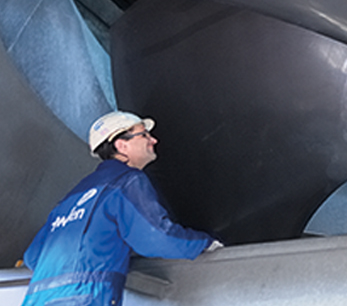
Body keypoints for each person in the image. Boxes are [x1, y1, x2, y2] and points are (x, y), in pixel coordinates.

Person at [21, 110, 222, 306]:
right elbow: (157, 238)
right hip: (82, 298)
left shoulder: (71, 198)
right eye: (144, 135)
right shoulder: (126, 181)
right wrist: (204, 243)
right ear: (121, 145)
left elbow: (32, 257)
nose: (153, 140)